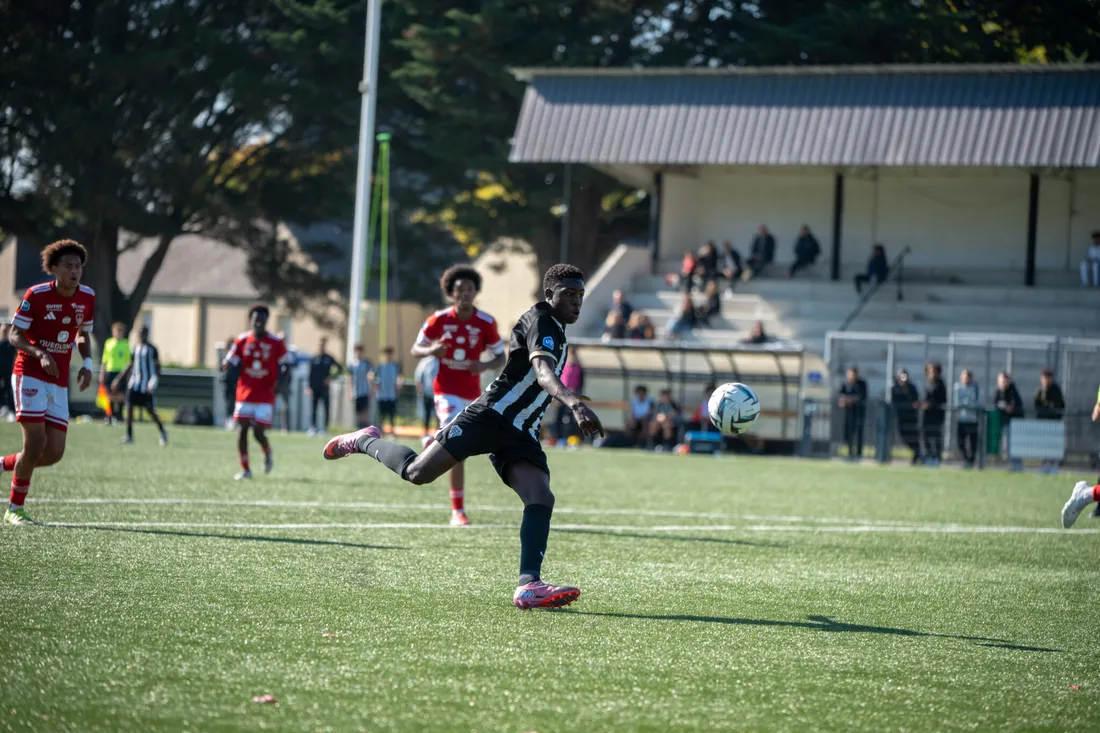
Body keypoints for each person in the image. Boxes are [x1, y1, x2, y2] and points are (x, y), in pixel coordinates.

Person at [322, 264, 601, 610]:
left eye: (580, 296)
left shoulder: (557, 328)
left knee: (541, 497)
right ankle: (363, 440)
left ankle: (529, 585)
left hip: (522, 433)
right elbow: (543, 373)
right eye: (568, 295)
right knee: (417, 473)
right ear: (549, 295)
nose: (576, 302)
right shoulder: (541, 320)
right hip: (490, 417)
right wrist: (574, 403)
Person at [1, 240, 95, 525]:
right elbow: (14, 335)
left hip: (58, 381)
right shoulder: (37, 295)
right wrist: (40, 353)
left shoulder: (87, 297)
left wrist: (87, 363)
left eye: (78, 266)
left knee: (54, 453)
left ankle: (4, 465)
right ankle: (14, 510)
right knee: (35, 443)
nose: (74, 271)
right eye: (68, 266)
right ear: (54, 269)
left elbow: (82, 334)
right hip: (29, 374)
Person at [410, 264, 506, 527]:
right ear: (451, 293)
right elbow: (415, 349)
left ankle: (434, 441)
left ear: (476, 292)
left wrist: (484, 365)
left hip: (472, 395)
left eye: (469, 289)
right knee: (455, 443)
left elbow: (501, 355)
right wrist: (432, 350)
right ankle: (457, 511)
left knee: (460, 449)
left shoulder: (486, 322)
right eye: (459, 290)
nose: (464, 294)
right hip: (445, 391)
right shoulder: (438, 319)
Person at [221, 305, 292, 480]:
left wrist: (280, 383)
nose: (258, 322)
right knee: (242, 429)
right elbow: (230, 359)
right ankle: (245, 469)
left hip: (265, 395)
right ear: (250, 320)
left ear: (266, 321)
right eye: (255, 319)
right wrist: (225, 365)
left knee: (258, 431)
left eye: (261, 319)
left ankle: (267, 452)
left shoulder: (275, 342)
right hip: (245, 392)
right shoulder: (242, 340)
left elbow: (287, 365)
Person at [114, 325, 168, 447]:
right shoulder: (135, 348)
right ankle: (129, 435)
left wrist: (154, 381)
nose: (142, 335)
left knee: (150, 411)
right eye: (140, 333)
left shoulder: (152, 349)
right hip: (134, 383)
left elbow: (158, 368)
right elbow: (130, 365)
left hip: (146, 385)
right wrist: (118, 379)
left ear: (147, 334)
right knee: (129, 408)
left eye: (144, 333)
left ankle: (163, 431)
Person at [307, 337, 341, 437]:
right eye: (320, 345)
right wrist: (309, 386)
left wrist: (331, 377)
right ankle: (313, 427)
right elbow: (310, 373)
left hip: (325, 388)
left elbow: (339, 368)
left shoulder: (329, 358)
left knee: (326, 408)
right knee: (314, 408)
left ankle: (325, 428)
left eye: (323, 345)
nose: (321, 346)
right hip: (315, 387)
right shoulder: (314, 358)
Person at [1035, 368, 1066, 474]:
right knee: (1044, 445)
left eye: (1048, 378)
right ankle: (1045, 464)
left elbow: (1058, 405)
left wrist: (1048, 409)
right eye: (1044, 378)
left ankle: (1054, 465)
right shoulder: (1040, 390)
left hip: (1054, 423)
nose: (1046, 380)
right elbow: (1037, 405)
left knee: (1053, 445)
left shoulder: (1056, 390)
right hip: (1044, 423)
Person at [99, 322, 131, 424]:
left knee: (121, 395)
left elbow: (129, 361)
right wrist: (102, 373)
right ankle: (109, 416)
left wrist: (128, 374)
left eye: (120, 331)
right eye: (116, 331)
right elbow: (104, 360)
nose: (118, 333)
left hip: (121, 372)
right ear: (113, 332)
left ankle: (119, 416)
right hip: (110, 370)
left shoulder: (126, 344)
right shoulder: (108, 343)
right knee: (109, 395)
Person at [552, 349, 584, 446]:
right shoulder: (563, 366)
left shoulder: (579, 368)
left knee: (572, 419)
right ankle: (560, 439)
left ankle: (572, 438)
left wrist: (576, 394)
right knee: (559, 418)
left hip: (572, 398)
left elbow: (581, 384)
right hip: (562, 397)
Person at [994, 372, 1025, 471]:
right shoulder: (998, 390)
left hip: (1015, 422)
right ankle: (1009, 464)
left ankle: (1017, 465)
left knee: (1015, 444)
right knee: (1006, 444)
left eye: (1005, 380)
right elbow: (996, 403)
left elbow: (1018, 403)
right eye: (1001, 381)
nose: (1003, 383)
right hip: (1003, 421)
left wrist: (1011, 407)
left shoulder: (1012, 389)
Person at [919, 362, 947, 466]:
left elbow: (942, 400)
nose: (931, 373)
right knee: (926, 437)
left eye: (933, 370)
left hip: (936, 416)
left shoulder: (940, 384)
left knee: (936, 437)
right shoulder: (926, 383)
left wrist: (931, 404)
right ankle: (929, 456)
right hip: (926, 416)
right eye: (929, 370)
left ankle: (937, 458)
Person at [890, 368, 921, 464]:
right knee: (904, 437)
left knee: (913, 437)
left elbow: (915, 399)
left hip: (912, 417)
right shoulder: (895, 388)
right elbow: (895, 401)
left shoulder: (911, 387)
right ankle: (917, 452)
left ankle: (917, 454)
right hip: (901, 417)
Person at [837, 367, 867, 460]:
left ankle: (858, 454)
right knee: (848, 433)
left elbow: (862, 396)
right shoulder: (845, 384)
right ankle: (850, 453)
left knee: (858, 434)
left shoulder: (861, 384)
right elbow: (840, 396)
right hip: (848, 413)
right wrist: (843, 401)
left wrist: (851, 400)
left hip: (858, 413)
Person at [371, 347, 401, 436]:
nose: (388, 356)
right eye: (386, 354)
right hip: (382, 395)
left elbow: (399, 377)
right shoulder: (379, 366)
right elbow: (370, 376)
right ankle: (380, 431)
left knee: (392, 414)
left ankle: (392, 431)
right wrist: (375, 386)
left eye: (389, 354)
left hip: (392, 394)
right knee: (381, 415)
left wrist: (399, 384)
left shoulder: (395, 366)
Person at [953, 369, 980, 468]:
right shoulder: (957, 387)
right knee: (960, 443)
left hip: (972, 419)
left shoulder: (975, 387)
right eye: (964, 377)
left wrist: (966, 404)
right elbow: (957, 402)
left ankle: (971, 462)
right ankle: (965, 459)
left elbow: (975, 403)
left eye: (967, 377)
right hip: (961, 419)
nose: (965, 379)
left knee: (973, 443)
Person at [348, 344, 373, 430]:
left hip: (365, 390)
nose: (358, 353)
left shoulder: (366, 363)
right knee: (358, 411)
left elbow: (370, 377)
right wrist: (350, 392)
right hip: (356, 391)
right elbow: (350, 379)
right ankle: (359, 427)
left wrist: (371, 390)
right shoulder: (352, 364)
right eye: (357, 351)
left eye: (360, 351)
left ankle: (365, 427)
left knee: (365, 410)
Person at [412, 354, 436, 436]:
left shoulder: (442, 360)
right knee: (427, 414)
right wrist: (420, 390)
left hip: (440, 395)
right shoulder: (425, 361)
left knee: (440, 416)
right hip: (428, 393)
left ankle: (439, 433)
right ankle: (426, 432)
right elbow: (418, 377)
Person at [222, 334, 241, 430]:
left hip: (236, 382)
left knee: (235, 402)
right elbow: (222, 368)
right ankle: (228, 420)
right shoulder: (226, 355)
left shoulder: (237, 356)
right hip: (228, 381)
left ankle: (235, 421)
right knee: (228, 402)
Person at [0, 324, 14, 419]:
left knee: (9, 390)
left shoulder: (11, 345)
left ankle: (11, 410)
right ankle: (2, 407)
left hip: (8, 372)